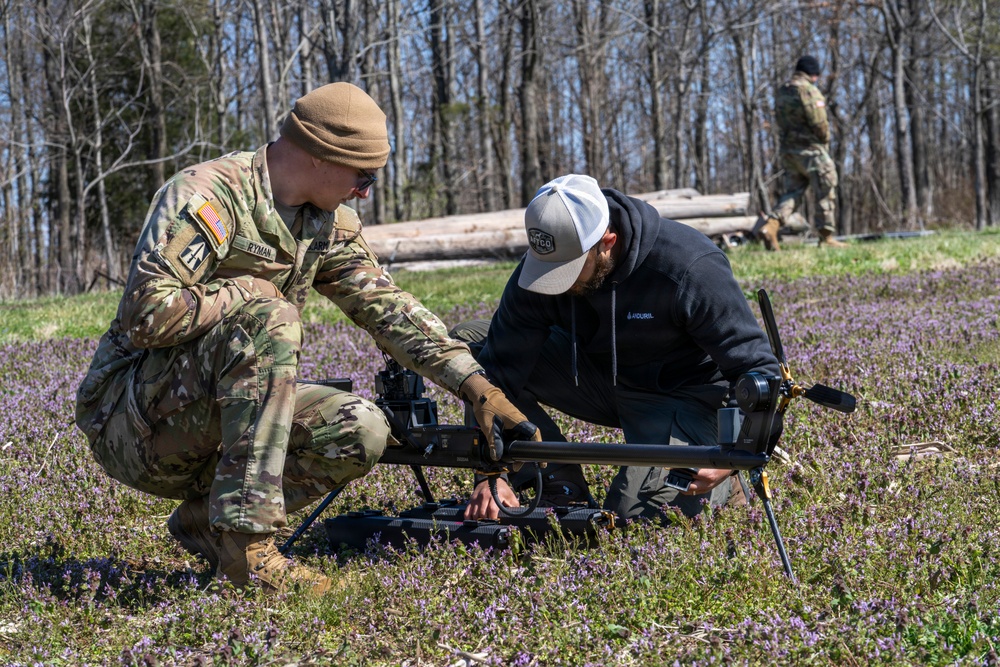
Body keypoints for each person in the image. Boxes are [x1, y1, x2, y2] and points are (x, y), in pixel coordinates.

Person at [75, 82, 537, 596]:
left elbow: (385, 306)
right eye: (364, 176)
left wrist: (474, 385)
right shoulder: (210, 196)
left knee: (360, 428)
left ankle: (211, 524)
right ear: (321, 156)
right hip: (131, 421)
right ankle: (249, 555)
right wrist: (245, 292)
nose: (366, 190)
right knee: (269, 315)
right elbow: (145, 316)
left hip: (214, 418)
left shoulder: (328, 221)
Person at [452, 174, 781, 522]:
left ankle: (725, 490)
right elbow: (495, 373)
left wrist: (733, 456)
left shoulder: (689, 266)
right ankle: (556, 480)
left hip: (682, 396)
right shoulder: (545, 264)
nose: (554, 283)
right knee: (471, 349)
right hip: (598, 379)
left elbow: (762, 373)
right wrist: (493, 473)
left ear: (607, 241)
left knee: (629, 520)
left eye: (569, 270)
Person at [757, 55, 847, 251]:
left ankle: (771, 225)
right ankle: (826, 237)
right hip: (811, 150)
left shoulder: (783, 91)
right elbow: (819, 122)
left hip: (789, 151)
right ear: (813, 74)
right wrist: (824, 140)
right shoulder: (808, 90)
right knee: (826, 188)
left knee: (794, 192)